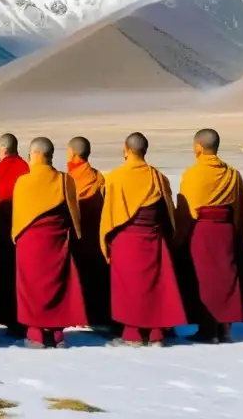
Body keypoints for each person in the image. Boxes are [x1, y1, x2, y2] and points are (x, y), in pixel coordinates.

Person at [100, 132, 187, 347]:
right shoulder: (158, 177)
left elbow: (109, 214)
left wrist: (108, 241)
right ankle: (156, 334)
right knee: (155, 286)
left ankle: (133, 335)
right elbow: (168, 213)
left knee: (129, 288)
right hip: (154, 236)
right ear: (144, 151)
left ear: (126, 149)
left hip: (126, 240)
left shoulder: (115, 177)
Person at [174, 129, 243, 344]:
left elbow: (186, 211)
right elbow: (239, 204)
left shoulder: (193, 173)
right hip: (225, 229)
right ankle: (224, 328)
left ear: (198, 146)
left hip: (202, 230)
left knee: (204, 278)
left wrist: (178, 239)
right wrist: (235, 230)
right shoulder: (232, 173)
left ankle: (208, 329)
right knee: (225, 277)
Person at [12, 137, 87, 349]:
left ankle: (35, 335)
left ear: (35, 155)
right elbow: (74, 216)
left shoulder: (23, 182)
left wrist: (16, 237)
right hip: (57, 241)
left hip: (29, 242)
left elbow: (18, 218)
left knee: (32, 288)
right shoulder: (65, 180)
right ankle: (56, 335)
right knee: (58, 286)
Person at [66, 136, 113, 334]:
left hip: (78, 235)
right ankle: (98, 315)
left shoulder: (69, 179)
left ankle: (80, 315)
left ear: (73, 154)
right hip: (97, 235)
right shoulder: (98, 177)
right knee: (96, 276)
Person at [0, 133, 29, 338]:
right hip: (22, 227)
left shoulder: (0, 168)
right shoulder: (25, 167)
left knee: (5, 274)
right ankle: (20, 317)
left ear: (3, 149)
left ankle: (7, 316)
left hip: (2, 227)